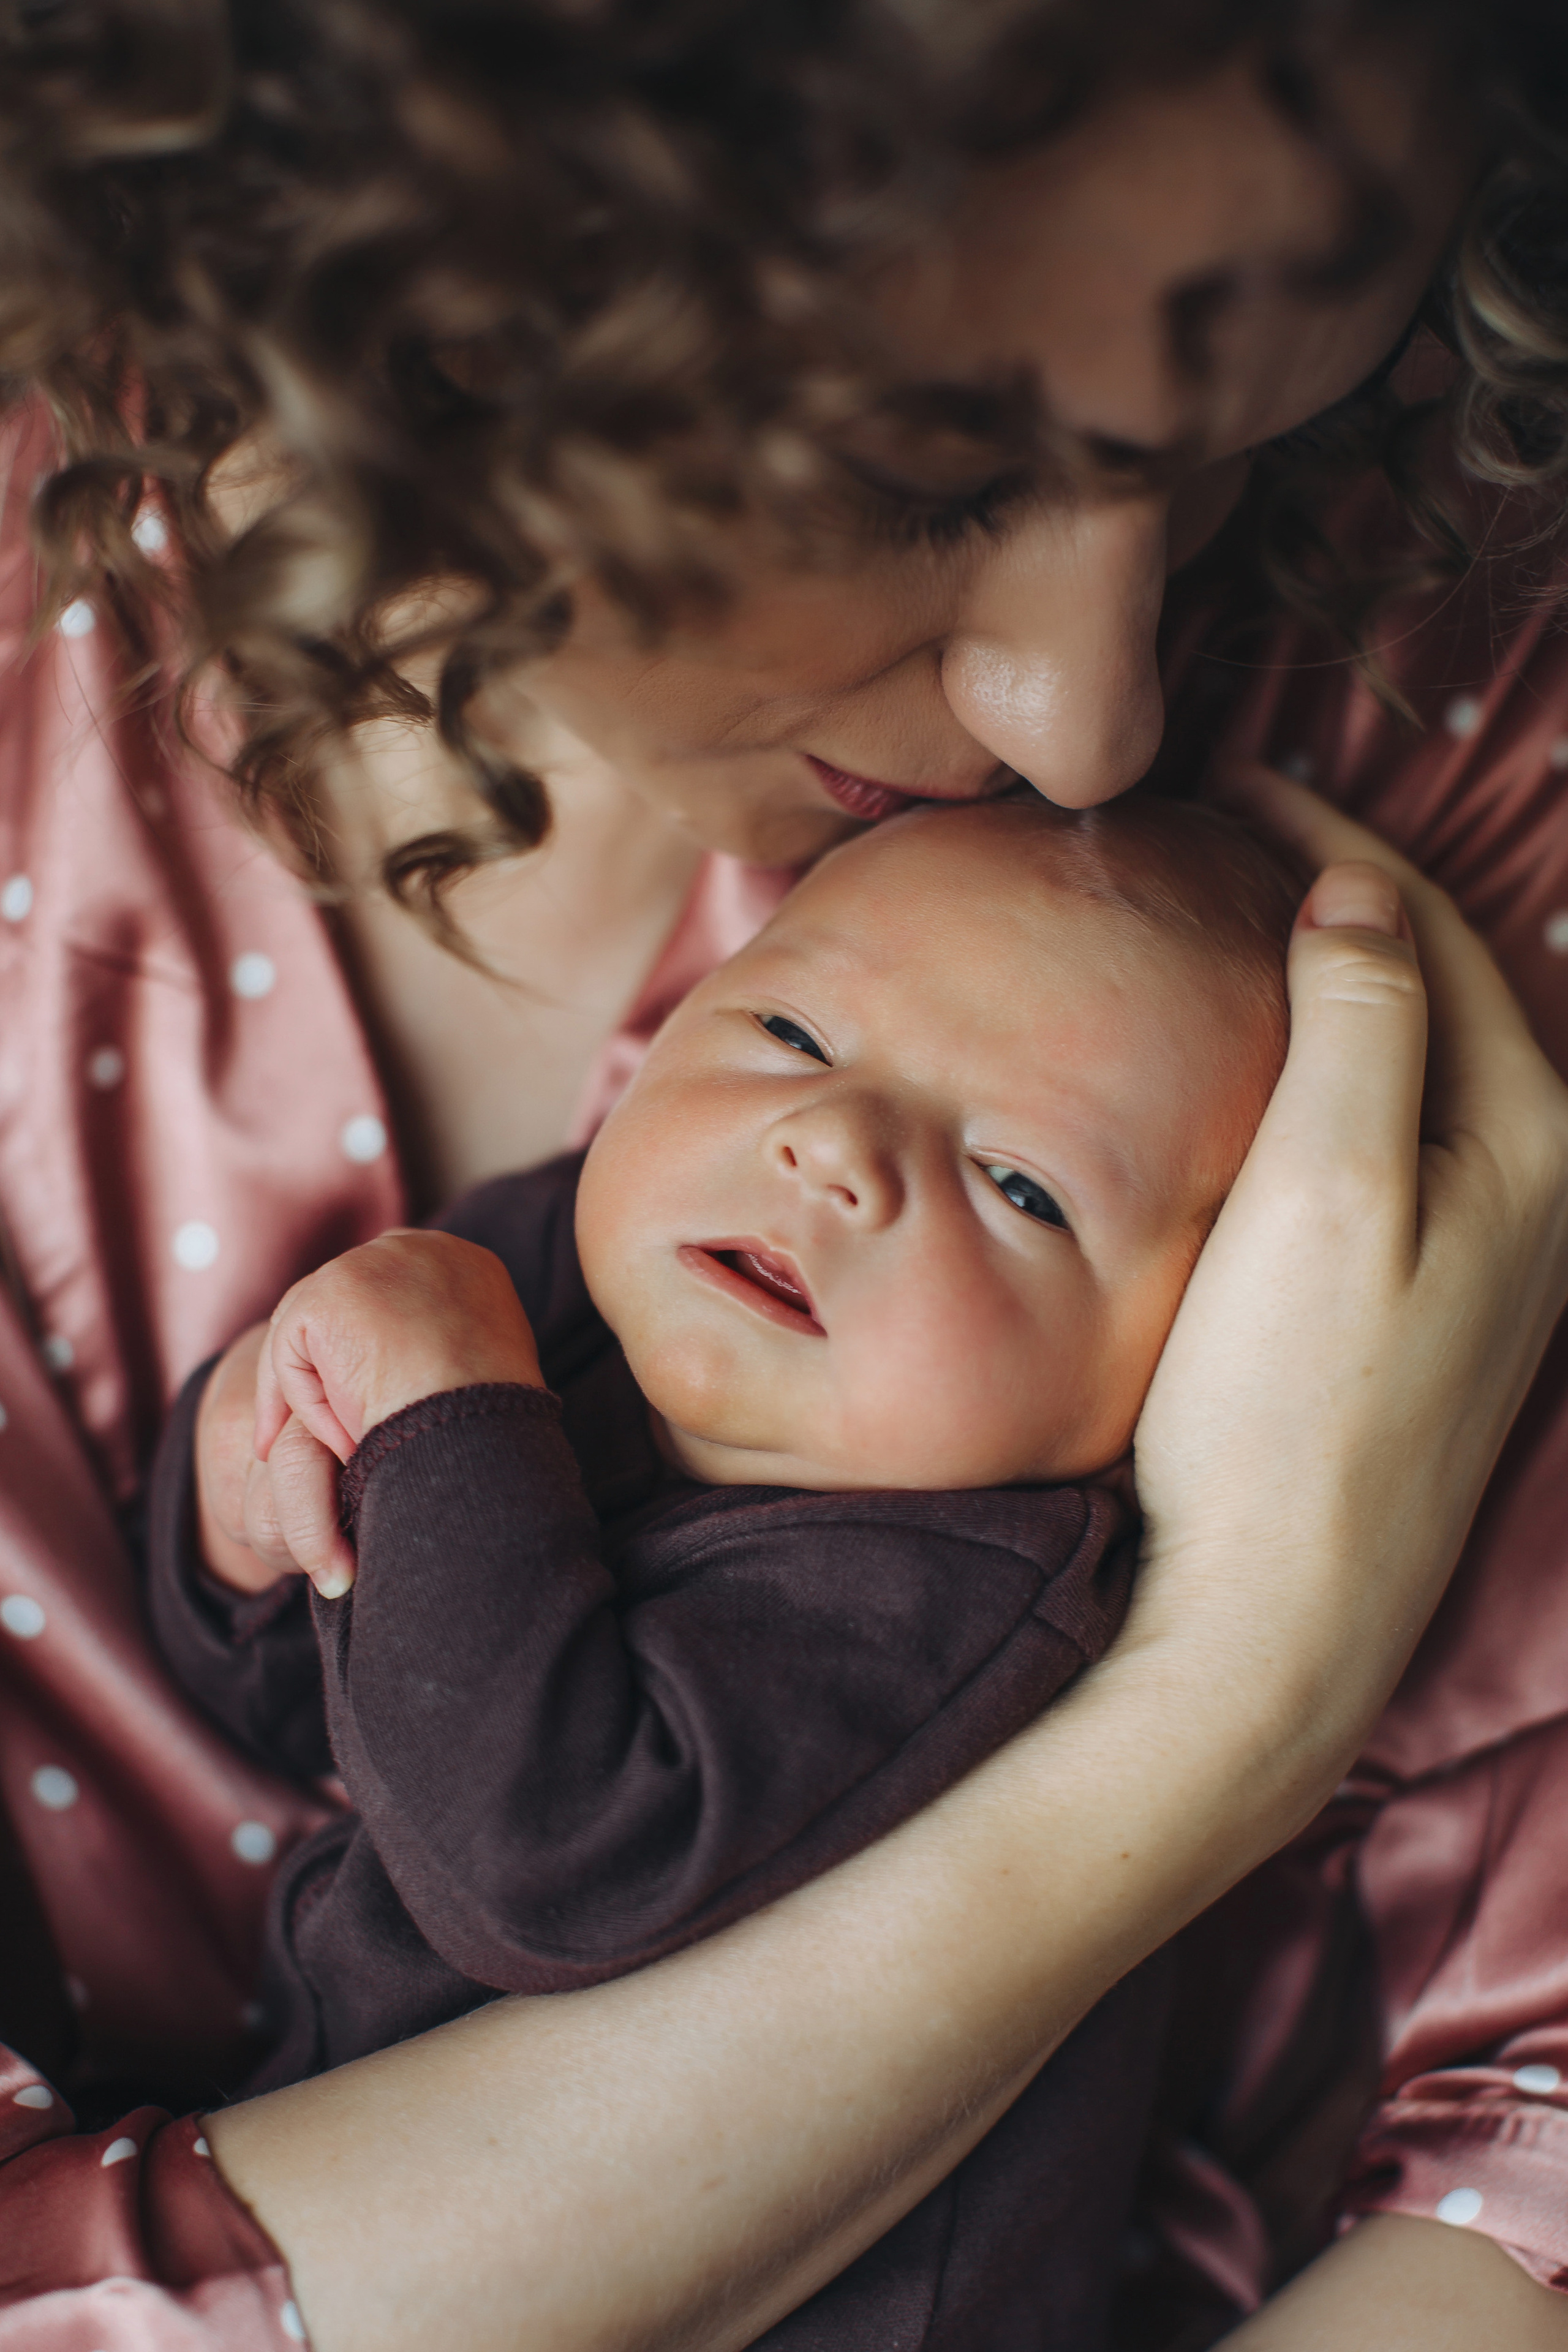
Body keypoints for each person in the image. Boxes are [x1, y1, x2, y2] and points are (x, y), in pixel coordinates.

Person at [1, 6, 1567, 2351]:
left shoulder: (1437, 771)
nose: (1092, 721)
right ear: (436, 288)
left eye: (1244, 452)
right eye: (930, 477)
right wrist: (1229, 1705)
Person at [141, 797, 1291, 2351]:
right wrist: (243, 1492)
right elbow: (319, 1708)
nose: (834, 1147)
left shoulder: (966, 1603)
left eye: (1021, 1186)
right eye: (795, 1032)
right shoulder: (579, 1273)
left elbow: (542, 1865)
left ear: (1171, 1371)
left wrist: (430, 1416)